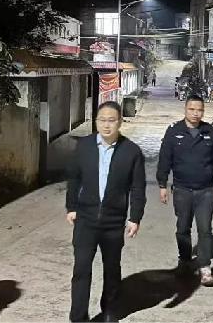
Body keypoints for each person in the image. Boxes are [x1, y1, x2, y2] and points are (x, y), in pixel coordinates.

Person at [66, 101, 147, 322]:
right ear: (96, 121)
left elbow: (138, 187)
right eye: (102, 120)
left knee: (112, 269)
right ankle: (78, 317)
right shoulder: (84, 146)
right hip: (86, 219)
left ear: (120, 122)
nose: (106, 125)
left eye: (112, 120)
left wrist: (135, 217)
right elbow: (74, 178)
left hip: (113, 222)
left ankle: (110, 311)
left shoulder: (131, 151)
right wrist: (71, 207)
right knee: (81, 269)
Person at [156, 95, 213, 287]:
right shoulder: (174, 131)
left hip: (206, 191)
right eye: (192, 109)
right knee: (182, 228)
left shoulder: (210, 132)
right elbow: (165, 159)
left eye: (199, 110)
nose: (196, 113)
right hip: (182, 190)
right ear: (185, 109)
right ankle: (185, 261)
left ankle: (205, 267)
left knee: (205, 229)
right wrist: (162, 185)